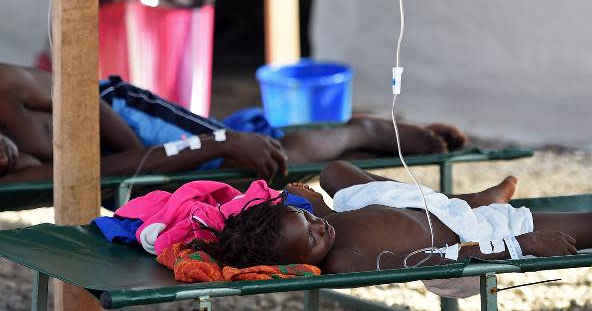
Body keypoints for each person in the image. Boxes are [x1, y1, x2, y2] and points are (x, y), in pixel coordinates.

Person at [0, 63, 467, 186]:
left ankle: (364, 130)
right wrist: (207, 148)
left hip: (114, 110)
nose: (0, 158)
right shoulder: (3, 173)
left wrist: (208, 142)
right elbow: (110, 172)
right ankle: (351, 137)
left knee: (258, 147)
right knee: (238, 157)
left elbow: (76, 94)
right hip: (111, 151)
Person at [214, 161, 589, 284]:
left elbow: (313, 220)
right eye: (311, 240)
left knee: (334, 172)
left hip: (440, 209)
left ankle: (472, 199)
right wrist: (525, 246)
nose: (319, 228)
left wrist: (314, 207)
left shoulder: (323, 221)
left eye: (305, 218)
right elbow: (436, 260)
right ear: (297, 262)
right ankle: (478, 203)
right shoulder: (345, 260)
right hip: (479, 233)